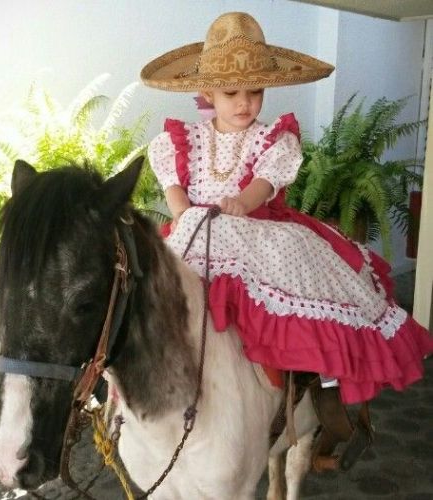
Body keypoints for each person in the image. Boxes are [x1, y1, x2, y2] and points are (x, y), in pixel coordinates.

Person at [141, 12, 433, 407]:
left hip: (258, 230)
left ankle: (314, 383)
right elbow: (176, 193)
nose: (245, 103)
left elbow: (263, 185)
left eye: (255, 91)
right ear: (208, 93)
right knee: (148, 283)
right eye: (232, 94)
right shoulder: (181, 140)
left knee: (303, 292)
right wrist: (185, 214)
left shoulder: (272, 138)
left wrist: (241, 203)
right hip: (197, 229)